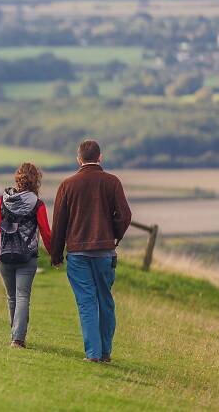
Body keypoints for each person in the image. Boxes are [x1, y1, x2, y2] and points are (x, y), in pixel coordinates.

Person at [50, 140, 132, 363]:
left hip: (77, 253)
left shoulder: (67, 185)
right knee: (105, 300)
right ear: (100, 157)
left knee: (86, 302)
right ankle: (105, 352)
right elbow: (125, 215)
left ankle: (93, 354)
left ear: (79, 159)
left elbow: (59, 223)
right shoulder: (112, 182)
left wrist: (56, 255)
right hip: (105, 252)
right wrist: (113, 235)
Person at [0, 163, 51, 349]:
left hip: (5, 256)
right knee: (23, 296)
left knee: (12, 297)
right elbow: (46, 233)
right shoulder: (37, 205)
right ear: (36, 181)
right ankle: (18, 339)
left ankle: (15, 334)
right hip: (27, 257)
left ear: (18, 179)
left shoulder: (2, 201)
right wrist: (55, 255)